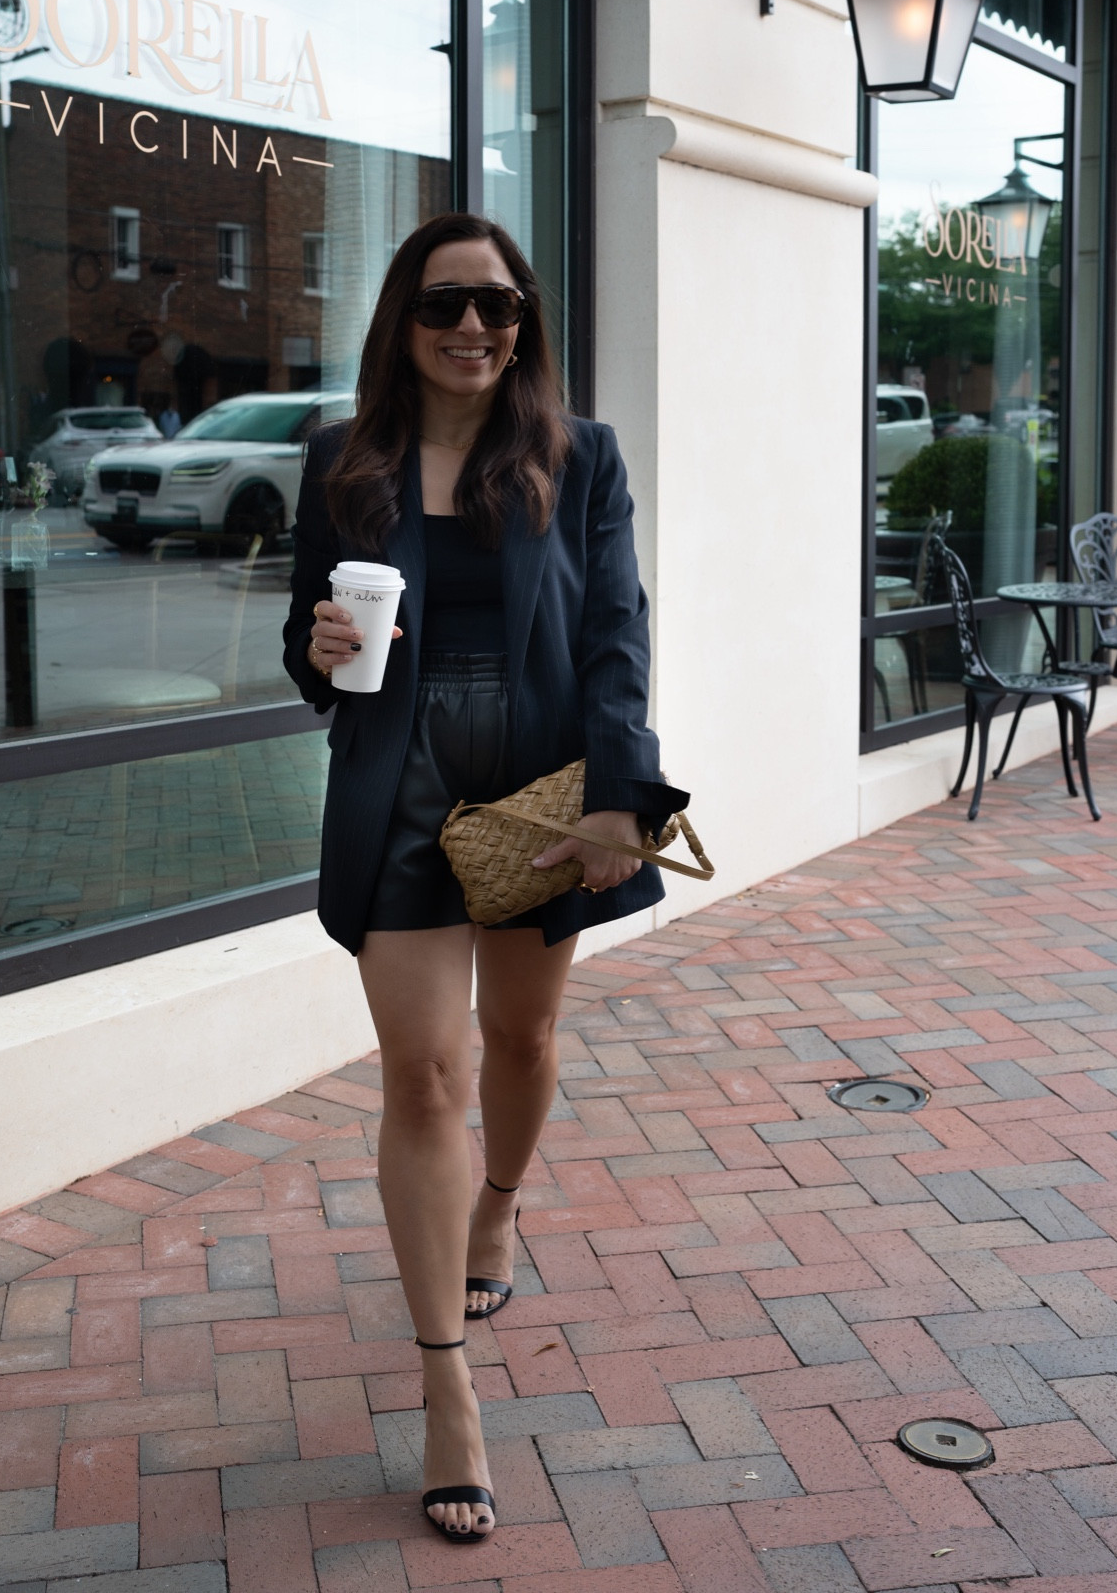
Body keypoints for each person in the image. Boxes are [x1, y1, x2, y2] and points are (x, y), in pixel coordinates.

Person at [282, 212, 686, 1546]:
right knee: (423, 1073)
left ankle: (496, 1211)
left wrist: (626, 796)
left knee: (519, 1036)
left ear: (525, 328)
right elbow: (311, 646)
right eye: (447, 304)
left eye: (499, 309)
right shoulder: (342, 462)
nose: (473, 328)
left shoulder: (579, 460)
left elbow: (616, 629)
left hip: (536, 796)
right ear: (402, 320)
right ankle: (444, 1384)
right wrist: (324, 643)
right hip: (394, 796)